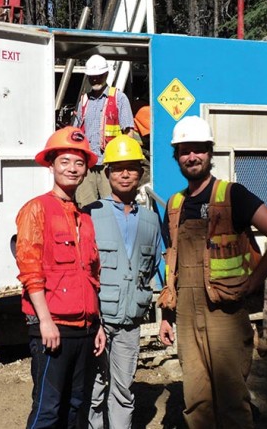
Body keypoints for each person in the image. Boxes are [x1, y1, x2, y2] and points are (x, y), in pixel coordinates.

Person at [157, 116, 267, 429]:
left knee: (231, 398)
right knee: (196, 398)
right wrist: (166, 315)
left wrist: (254, 282)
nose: (192, 156)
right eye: (185, 151)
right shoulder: (174, 205)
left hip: (226, 312)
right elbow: (171, 263)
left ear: (210, 153)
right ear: (177, 156)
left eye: (198, 149)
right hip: (186, 314)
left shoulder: (233, 195)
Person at [15, 126, 108, 429]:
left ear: (86, 171)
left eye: (79, 163)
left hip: (85, 329)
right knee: (48, 409)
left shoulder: (85, 218)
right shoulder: (36, 209)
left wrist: (97, 324)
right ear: (51, 165)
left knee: (75, 406)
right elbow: (30, 270)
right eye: (65, 161)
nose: (72, 168)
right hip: (53, 328)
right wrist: (45, 321)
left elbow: (92, 275)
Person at [82, 135, 162, 429]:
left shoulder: (151, 221)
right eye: (118, 168)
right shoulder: (90, 214)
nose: (125, 174)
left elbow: (151, 268)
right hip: (98, 321)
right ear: (107, 173)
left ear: (141, 173)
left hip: (130, 322)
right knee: (94, 389)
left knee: (124, 391)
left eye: (132, 168)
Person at [73, 54, 136, 207]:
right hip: (88, 164)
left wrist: (123, 165)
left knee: (114, 205)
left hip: (110, 164)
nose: (95, 80)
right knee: (86, 206)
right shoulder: (84, 101)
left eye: (99, 76)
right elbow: (76, 133)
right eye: (92, 76)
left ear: (106, 74)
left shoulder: (119, 98)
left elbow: (128, 134)